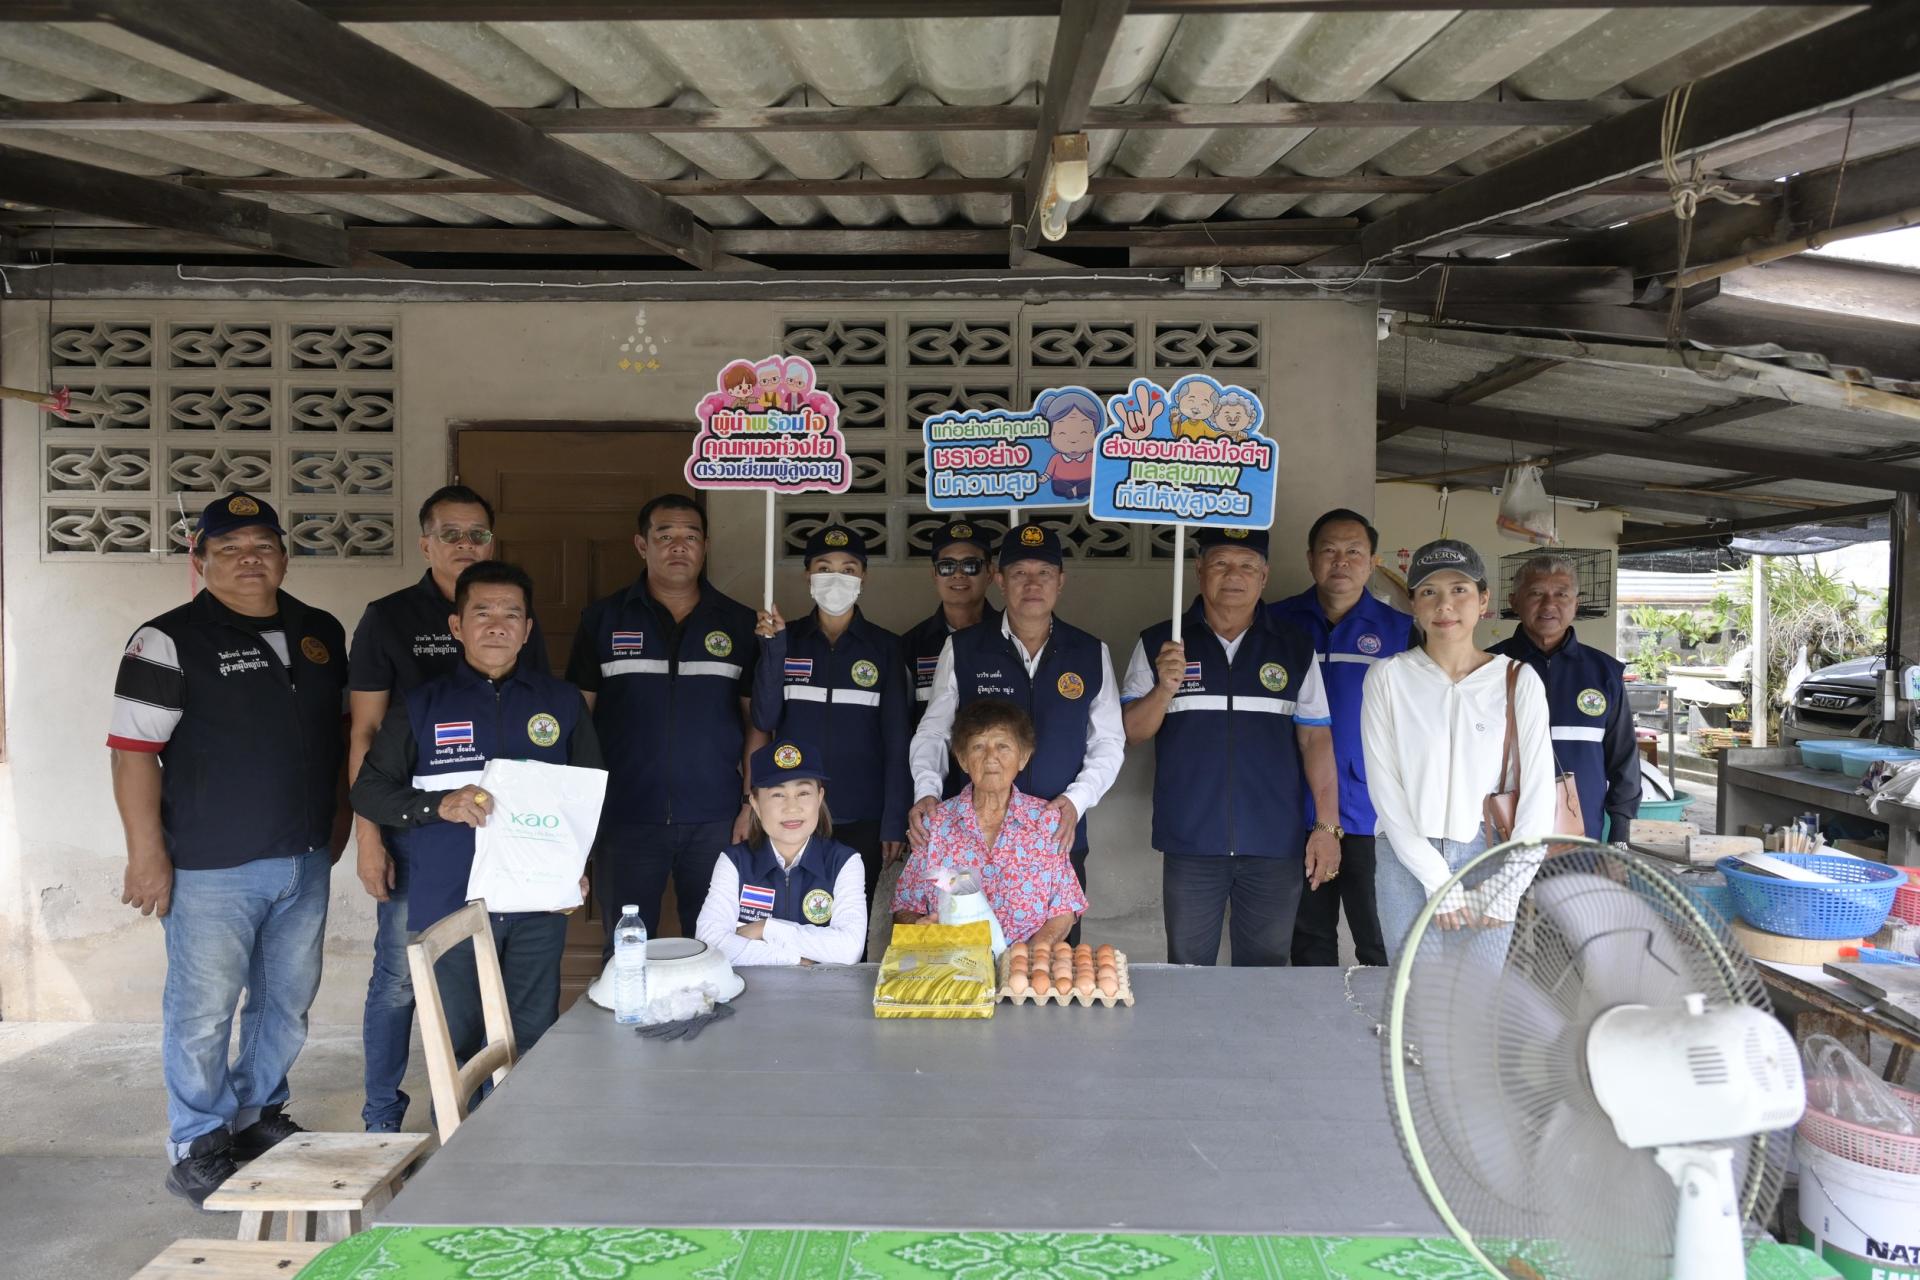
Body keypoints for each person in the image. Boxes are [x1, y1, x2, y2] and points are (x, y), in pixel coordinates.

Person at [107, 493, 349, 1207]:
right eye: (230, 548)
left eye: (263, 545)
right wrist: (145, 854)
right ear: (200, 558)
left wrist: (338, 821)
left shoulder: (319, 631)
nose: (250, 559)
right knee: (204, 1010)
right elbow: (132, 754)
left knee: (287, 1002)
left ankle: (255, 1113)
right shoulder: (167, 639)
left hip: (304, 857)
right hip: (210, 865)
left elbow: (338, 736)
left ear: (284, 556)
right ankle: (197, 1142)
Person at [346, 484, 546, 1133]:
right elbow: (365, 733)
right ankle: (382, 1119)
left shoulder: (512, 610)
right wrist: (369, 838)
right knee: (402, 977)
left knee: (482, 979)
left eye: (477, 534)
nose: (465, 545)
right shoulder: (388, 618)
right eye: (450, 534)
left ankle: (476, 1120)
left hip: (499, 840)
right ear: (425, 543)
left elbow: (535, 714)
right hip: (416, 833)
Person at [352, 561, 600, 1069]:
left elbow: (590, 798)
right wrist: (437, 805)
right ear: (456, 626)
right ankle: (457, 1124)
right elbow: (369, 792)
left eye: (511, 614)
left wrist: (574, 866)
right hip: (450, 903)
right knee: (459, 1050)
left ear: (527, 630)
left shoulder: (562, 703)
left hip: (537, 905)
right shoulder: (422, 705)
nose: (497, 625)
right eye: (482, 612)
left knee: (531, 1040)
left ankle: (521, 1124)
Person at [1122, 528, 1342, 965]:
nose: (1234, 575)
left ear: (1264, 576)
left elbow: (1315, 738)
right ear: (1199, 570)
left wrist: (1327, 826)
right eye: (1221, 563)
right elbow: (1132, 731)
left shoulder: (1295, 646)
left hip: (1273, 841)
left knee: (1265, 970)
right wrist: (1164, 689)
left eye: (1247, 565)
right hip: (1191, 840)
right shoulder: (1160, 643)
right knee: (1187, 968)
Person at [908, 524, 1123, 943]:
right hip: (968, 841)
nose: (1033, 584)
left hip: (1054, 837)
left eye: (1044, 573)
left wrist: (1075, 802)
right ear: (1000, 580)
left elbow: (1109, 743)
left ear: (1060, 581)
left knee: (1049, 958)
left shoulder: (1089, 652)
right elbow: (934, 730)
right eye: (1020, 573)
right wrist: (927, 790)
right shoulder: (965, 648)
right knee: (963, 950)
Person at [566, 494, 764, 945]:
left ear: (705, 546)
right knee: (626, 950)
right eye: (665, 536)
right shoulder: (603, 619)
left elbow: (756, 723)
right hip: (625, 815)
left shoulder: (738, 623)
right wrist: (578, 810)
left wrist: (749, 804)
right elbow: (578, 718)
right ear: (642, 545)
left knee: (719, 948)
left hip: (715, 818)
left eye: (690, 537)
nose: (679, 547)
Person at [1360, 540, 1556, 963]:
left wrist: (1510, 885)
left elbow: (1539, 792)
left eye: (1460, 590)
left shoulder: (1517, 679)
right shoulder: (1388, 677)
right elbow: (1385, 789)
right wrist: (1436, 880)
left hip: (1488, 854)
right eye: (1429, 592)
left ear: (1483, 601)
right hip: (1405, 855)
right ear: (1413, 604)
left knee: (1476, 992)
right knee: (1412, 990)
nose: (1444, 605)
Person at [1269, 508, 1413, 969]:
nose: (1341, 561)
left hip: (1375, 812)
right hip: (1293, 806)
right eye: (1329, 550)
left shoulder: (1402, 631)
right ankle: (1317, 1016)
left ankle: (1385, 1016)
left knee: (1380, 938)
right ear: (1310, 558)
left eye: (1354, 551)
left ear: (1372, 562)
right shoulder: (1275, 622)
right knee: (1308, 937)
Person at [751, 525, 908, 913]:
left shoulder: (885, 647)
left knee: (851, 920)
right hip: (794, 811)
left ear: (863, 577)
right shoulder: (785, 639)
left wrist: (893, 820)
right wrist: (773, 652)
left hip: (863, 811)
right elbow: (765, 716)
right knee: (792, 918)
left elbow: (897, 740)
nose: (836, 578)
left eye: (848, 569)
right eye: (824, 568)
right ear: (808, 575)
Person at [892, 699, 1086, 946]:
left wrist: (1029, 955)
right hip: (952, 963)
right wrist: (920, 927)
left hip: (1024, 964)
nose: (991, 757)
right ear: (963, 759)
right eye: (978, 747)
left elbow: (1064, 908)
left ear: (1023, 757)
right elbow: (905, 905)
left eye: (1003, 746)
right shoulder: (935, 824)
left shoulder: (1046, 822)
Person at [1490, 554, 1640, 842]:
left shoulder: (1604, 673)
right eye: (1536, 593)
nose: (1549, 604)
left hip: (1580, 835)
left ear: (1576, 603)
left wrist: (1620, 832)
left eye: (1561, 594)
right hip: (1503, 832)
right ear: (1514, 601)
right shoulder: (1488, 667)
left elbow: (1623, 759)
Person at [693, 737, 868, 967]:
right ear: (755, 803)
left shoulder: (844, 862)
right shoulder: (734, 861)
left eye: (803, 793)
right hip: (751, 989)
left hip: (822, 989)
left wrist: (766, 929)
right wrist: (794, 960)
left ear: (819, 798)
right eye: (777, 794)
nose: (792, 807)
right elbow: (710, 945)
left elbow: (849, 949)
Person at [903, 520, 999, 729]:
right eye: (946, 566)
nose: (958, 574)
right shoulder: (910, 646)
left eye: (970, 565)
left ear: (990, 573)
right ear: (935, 575)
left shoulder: (1011, 637)